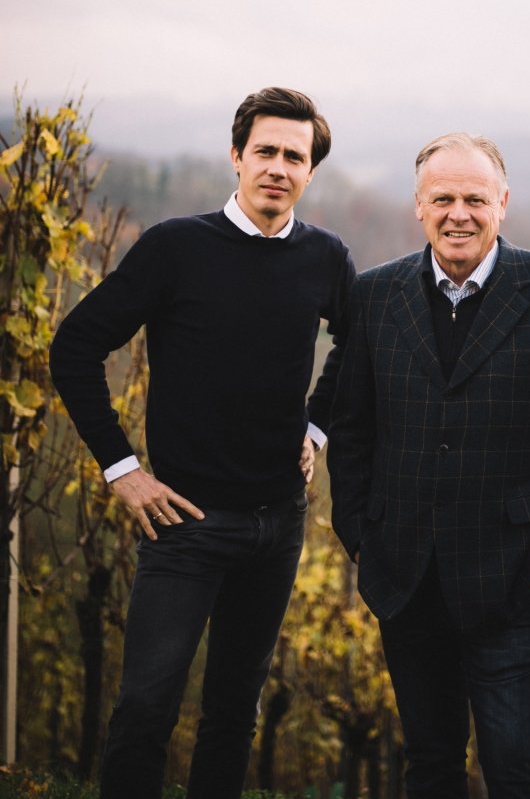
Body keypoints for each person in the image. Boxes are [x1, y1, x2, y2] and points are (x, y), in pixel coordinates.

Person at [50, 86, 356, 799]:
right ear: (237, 156)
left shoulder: (325, 257)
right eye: (266, 152)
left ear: (310, 171)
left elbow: (354, 346)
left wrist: (316, 426)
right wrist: (122, 469)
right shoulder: (175, 248)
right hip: (184, 522)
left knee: (233, 716)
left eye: (295, 156)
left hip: (279, 522)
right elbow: (75, 348)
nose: (279, 167)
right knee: (145, 711)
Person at [327, 132, 530, 799]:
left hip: (511, 574)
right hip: (405, 572)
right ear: (418, 207)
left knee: (515, 765)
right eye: (444, 198)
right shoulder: (372, 296)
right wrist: (360, 534)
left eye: (475, 198)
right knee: (429, 764)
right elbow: (351, 426)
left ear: (502, 203)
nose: (460, 213)